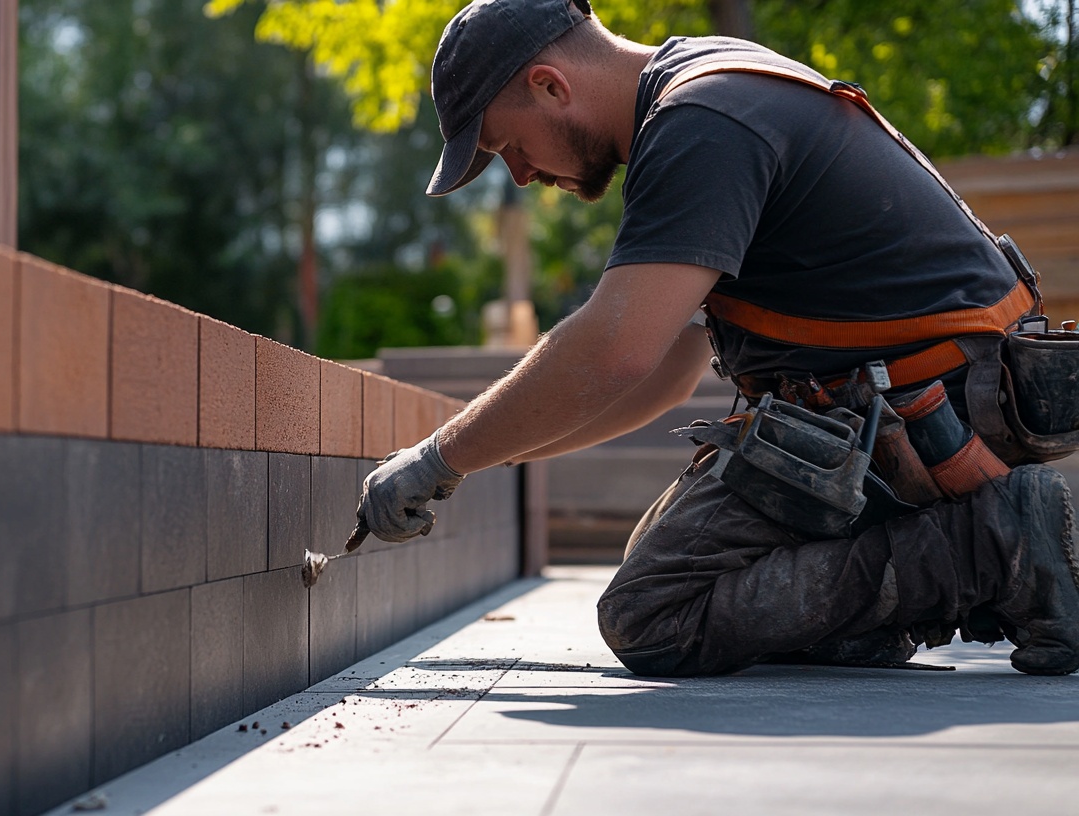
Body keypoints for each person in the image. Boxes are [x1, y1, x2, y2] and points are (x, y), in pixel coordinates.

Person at [354, 0, 1079, 677]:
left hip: (934, 410)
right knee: (672, 572)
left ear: (549, 85)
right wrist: (473, 463)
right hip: (914, 395)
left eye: (507, 146)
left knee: (654, 614)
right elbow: (665, 371)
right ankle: (890, 600)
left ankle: (989, 546)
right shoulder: (710, 85)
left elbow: (615, 348)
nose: (519, 176)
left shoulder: (700, 122)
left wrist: (433, 458)